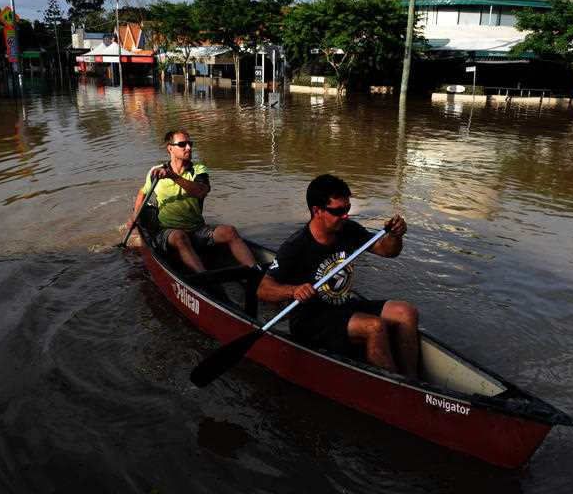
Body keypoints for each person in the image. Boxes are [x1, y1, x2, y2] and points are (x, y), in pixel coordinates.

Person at [256, 174, 419, 376]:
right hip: (311, 320)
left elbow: (388, 251)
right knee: (374, 326)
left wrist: (395, 235)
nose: (345, 216)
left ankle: (413, 382)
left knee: (405, 312)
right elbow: (263, 289)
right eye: (338, 211)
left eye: (347, 209)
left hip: (344, 305)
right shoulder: (295, 246)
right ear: (317, 211)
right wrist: (294, 290)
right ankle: (394, 387)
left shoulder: (347, 229)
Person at [132, 129, 257, 273]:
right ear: (170, 148)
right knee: (180, 236)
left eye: (190, 143)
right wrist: (135, 215)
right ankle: (204, 278)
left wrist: (173, 176)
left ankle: (256, 271)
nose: (189, 148)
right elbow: (143, 192)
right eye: (182, 144)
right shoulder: (156, 171)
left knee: (230, 231)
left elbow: (200, 191)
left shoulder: (198, 170)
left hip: (197, 229)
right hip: (168, 232)